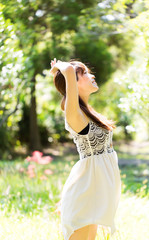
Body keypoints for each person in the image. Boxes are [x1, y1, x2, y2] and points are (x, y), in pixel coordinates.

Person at [50, 58, 121, 240]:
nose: (92, 75)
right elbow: (67, 71)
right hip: (87, 190)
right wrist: (62, 69)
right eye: (85, 73)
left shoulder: (87, 113)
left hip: (95, 190)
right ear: (73, 82)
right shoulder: (74, 114)